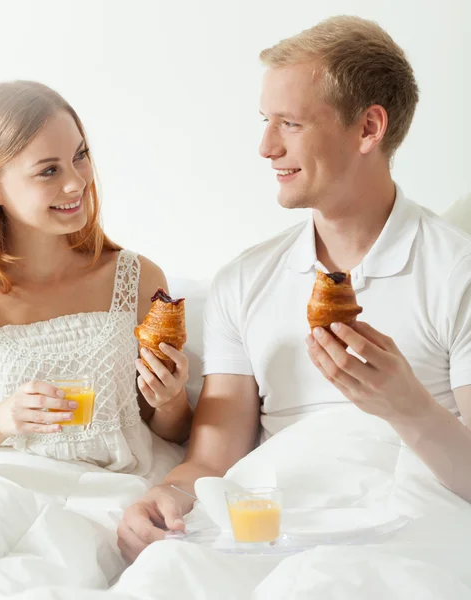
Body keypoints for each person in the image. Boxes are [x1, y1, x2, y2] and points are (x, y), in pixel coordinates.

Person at [117, 15, 471, 562]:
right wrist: (162, 497)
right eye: (266, 121)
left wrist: (409, 408)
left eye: (289, 123)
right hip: (273, 531)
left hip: (403, 535)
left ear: (368, 129)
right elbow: (211, 463)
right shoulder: (245, 282)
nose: (265, 146)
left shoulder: (456, 272)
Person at [0, 81, 192, 477]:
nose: (76, 182)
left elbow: (167, 433)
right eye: (49, 171)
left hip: (117, 499)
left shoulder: (137, 279)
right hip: (1, 501)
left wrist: (171, 400)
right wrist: (0, 419)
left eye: (81, 156)